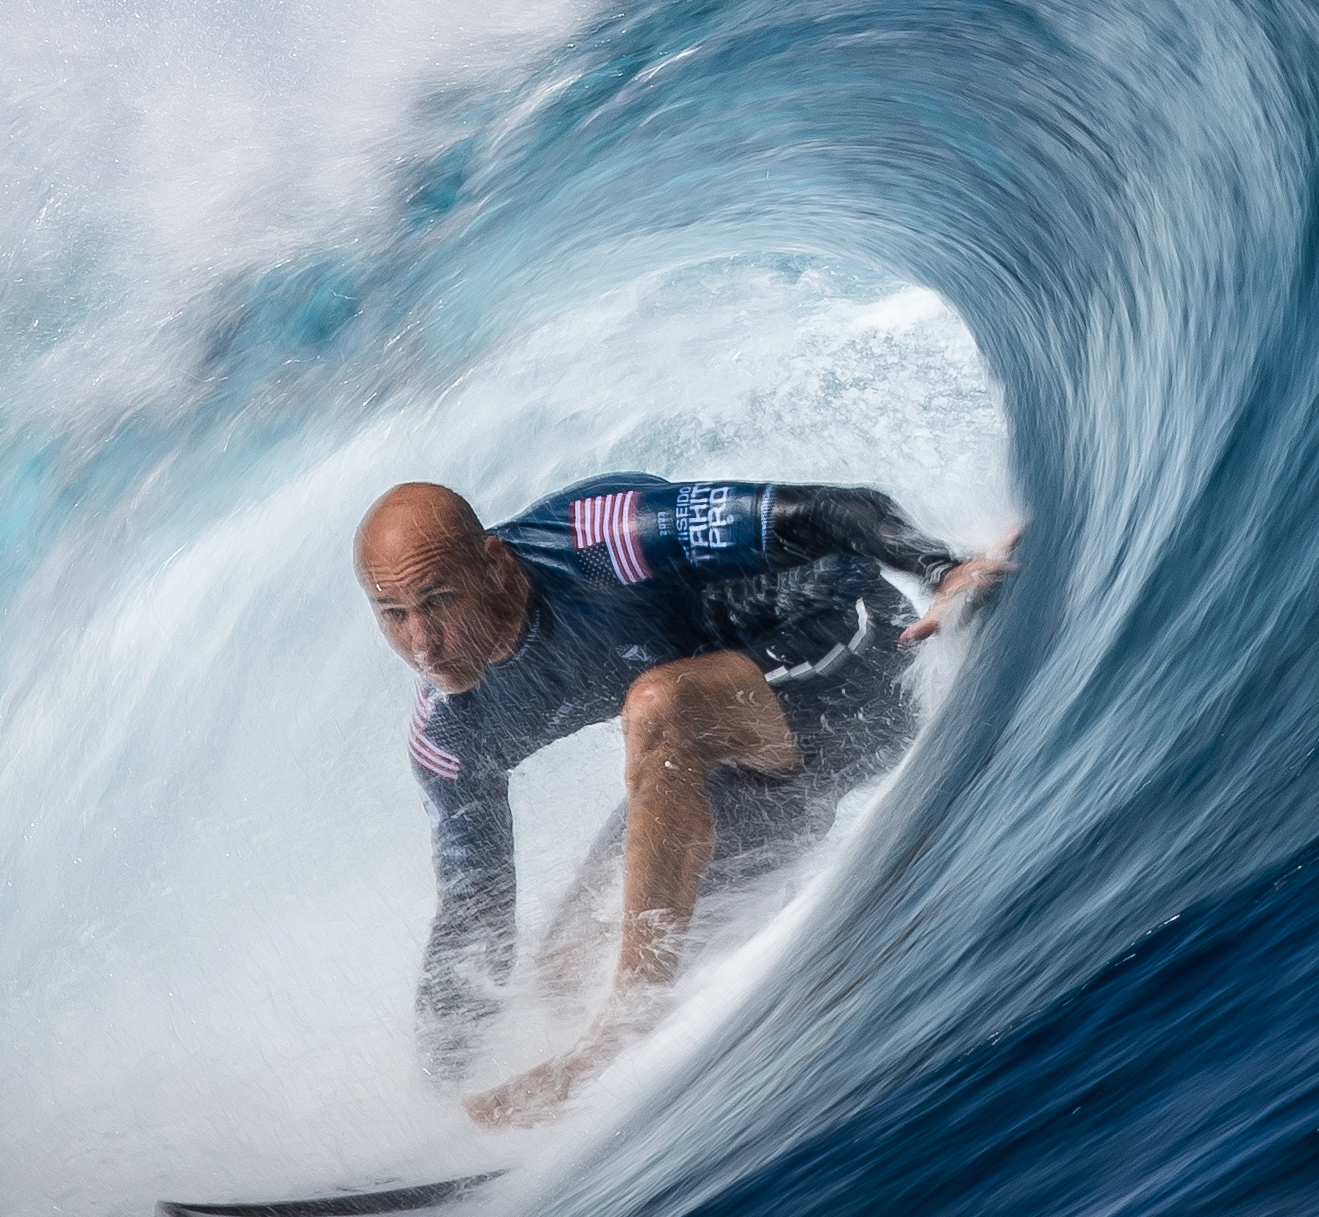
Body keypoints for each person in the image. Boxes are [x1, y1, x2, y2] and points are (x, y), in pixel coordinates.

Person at [357, 474, 1013, 1126]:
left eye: (437, 601)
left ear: (495, 569)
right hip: (753, 776)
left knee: (657, 706)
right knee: (559, 975)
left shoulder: (600, 541)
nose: (422, 643)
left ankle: (619, 1034)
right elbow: (474, 910)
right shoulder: (452, 732)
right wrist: (435, 1091)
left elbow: (823, 510)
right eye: (393, 615)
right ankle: (524, 1096)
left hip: (860, 672)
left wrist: (942, 568)